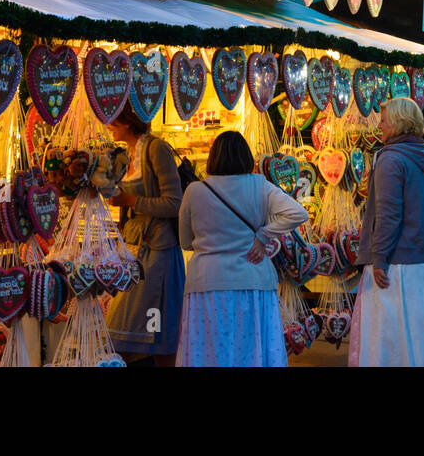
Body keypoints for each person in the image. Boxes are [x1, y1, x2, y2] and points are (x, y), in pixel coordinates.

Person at [351, 97, 424, 366]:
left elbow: (388, 215)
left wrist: (379, 258)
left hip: (399, 265)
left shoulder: (390, 159)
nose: (379, 126)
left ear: (397, 123)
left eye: (383, 120)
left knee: (393, 340)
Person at [176, 131, 309, 367]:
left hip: (207, 282)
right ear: (246, 157)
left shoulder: (194, 191)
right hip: (253, 279)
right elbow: (298, 213)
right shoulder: (260, 185)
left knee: (210, 351)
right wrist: (263, 235)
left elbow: (186, 241)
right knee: (251, 350)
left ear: (213, 157)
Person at [107, 104, 186, 364]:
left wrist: (131, 200)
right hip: (134, 250)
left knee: (157, 329)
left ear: (128, 121)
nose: (108, 125)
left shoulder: (156, 149)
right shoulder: (125, 154)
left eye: (113, 121)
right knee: (127, 327)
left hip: (158, 253)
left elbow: (174, 203)